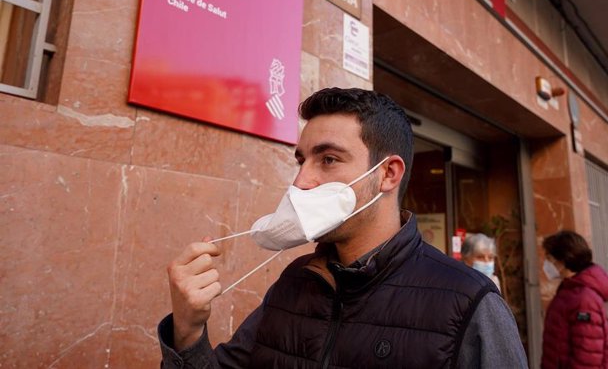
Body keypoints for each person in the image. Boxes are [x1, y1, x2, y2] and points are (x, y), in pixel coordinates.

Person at [158, 87, 528, 368]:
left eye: (328, 159)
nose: (301, 181)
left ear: (387, 174)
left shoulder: (469, 302)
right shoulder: (296, 282)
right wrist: (188, 331)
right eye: (302, 160)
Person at [541, 230, 608, 369]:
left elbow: (587, 358)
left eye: (549, 258)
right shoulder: (570, 290)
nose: (546, 264)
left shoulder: (583, 299)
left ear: (562, 260)